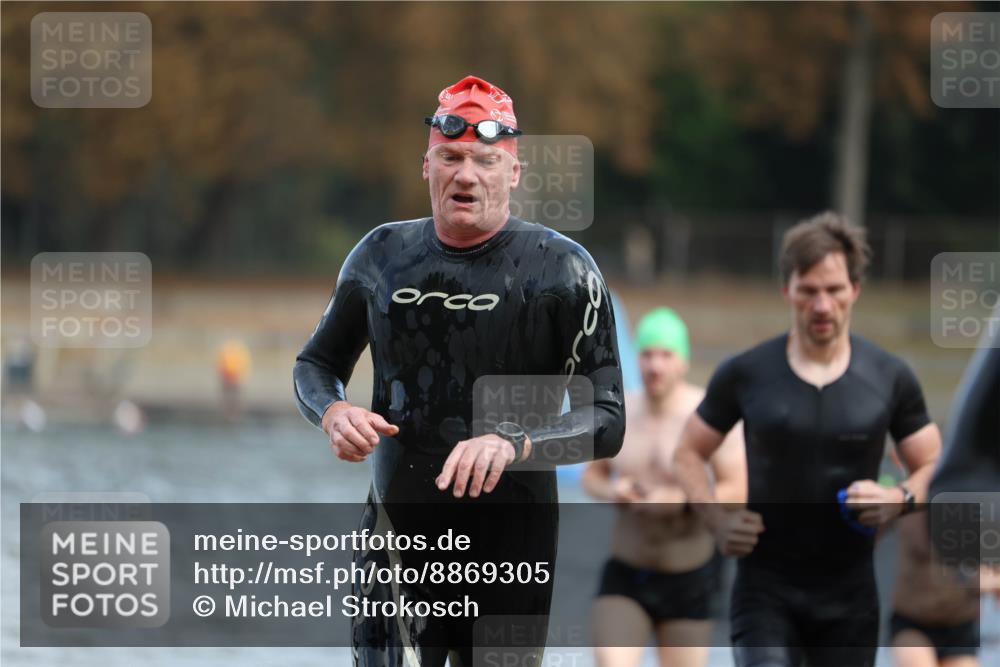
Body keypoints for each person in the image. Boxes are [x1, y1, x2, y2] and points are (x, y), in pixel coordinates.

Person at [293, 75, 625, 667]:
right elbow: (316, 364)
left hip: (510, 549)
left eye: (484, 160)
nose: (465, 174)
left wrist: (515, 444)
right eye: (450, 157)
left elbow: (608, 419)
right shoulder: (380, 258)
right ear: (427, 166)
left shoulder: (563, 272)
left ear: (514, 173)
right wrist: (333, 410)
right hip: (397, 540)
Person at [673, 212, 942, 667]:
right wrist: (717, 520)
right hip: (765, 590)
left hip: (850, 597)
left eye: (834, 290)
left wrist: (899, 497)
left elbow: (936, 463)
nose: (822, 305)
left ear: (855, 290)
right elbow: (687, 452)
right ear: (787, 291)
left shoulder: (889, 377)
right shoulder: (747, 373)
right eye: (809, 290)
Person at [583, 307, 745, 667]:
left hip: (689, 578)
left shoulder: (709, 416)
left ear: (683, 361)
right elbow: (591, 477)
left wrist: (682, 500)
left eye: (666, 355)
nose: (655, 365)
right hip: (627, 572)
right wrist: (615, 491)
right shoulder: (618, 411)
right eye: (647, 354)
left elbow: (739, 491)